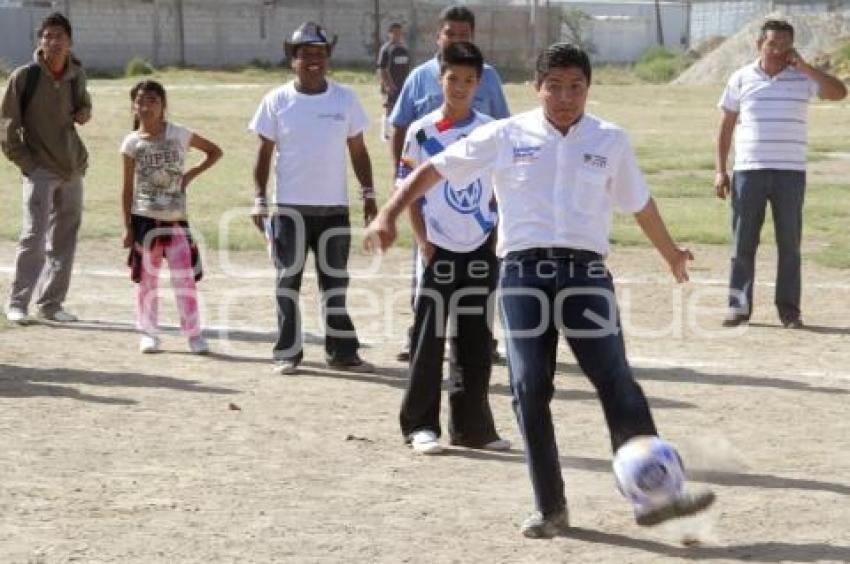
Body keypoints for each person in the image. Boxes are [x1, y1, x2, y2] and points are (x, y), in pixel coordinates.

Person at [366, 43, 715, 538]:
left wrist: (671, 253)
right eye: (554, 86)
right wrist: (387, 214)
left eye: (576, 87)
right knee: (529, 389)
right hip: (523, 276)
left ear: (588, 88)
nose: (565, 97)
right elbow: (432, 170)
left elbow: (640, 203)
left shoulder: (610, 140)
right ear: (537, 88)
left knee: (615, 379)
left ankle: (654, 491)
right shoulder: (506, 134)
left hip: (586, 277)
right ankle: (551, 507)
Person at [397, 42, 509, 455]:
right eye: (452, 79)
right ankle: (420, 425)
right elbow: (407, 190)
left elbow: (500, 188)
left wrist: (495, 236)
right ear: (439, 79)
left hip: (480, 244)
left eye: (468, 80)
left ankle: (472, 426)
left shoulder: (490, 131)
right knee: (429, 339)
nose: (459, 87)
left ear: (479, 83)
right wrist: (424, 242)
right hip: (438, 248)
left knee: (477, 340)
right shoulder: (422, 132)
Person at [249, 22, 377, 375]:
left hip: (334, 209)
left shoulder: (345, 99)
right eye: (305, 54)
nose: (313, 60)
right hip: (290, 208)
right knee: (287, 280)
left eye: (320, 54)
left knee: (335, 282)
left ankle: (342, 352)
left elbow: (359, 150)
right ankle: (287, 353)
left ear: (328, 58)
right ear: (293, 58)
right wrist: (259, 198)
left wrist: (368, 194)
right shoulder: (276, 100)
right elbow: (263, 154)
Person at [389, 4, 510, 362]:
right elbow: (401, 128)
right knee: (427, 261)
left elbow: (504, 132)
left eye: (463, 34)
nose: (456, 39)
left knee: (479, 277)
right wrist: (403, 182)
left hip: (475, 205)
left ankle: (480, 341)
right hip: (431, 198)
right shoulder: (419, 77)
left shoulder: (489, 77)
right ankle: (421, 335)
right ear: (436, 36)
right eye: (450, 33)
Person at [715, 19, 847, 329]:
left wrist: (805, 66)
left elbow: (839, 92)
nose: (778, 51)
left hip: (790, 173)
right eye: (772, 44)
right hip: (749, 171)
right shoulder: (741, 78)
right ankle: (738, 307)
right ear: (759, 44)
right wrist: (720, 170)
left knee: (790, 245)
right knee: (743, 244)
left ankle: (789, 311)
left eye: (785, 45)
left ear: (793, 47)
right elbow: (725, 127)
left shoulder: (802, 78)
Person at [1, 12, 91, 324]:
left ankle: (52, 304)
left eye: (60, 37)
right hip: (40, 170)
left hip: (72, 167)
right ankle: (18, 304)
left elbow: (84, 104)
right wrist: (29, 165)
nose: (53, 42)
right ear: (40, 40)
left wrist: (84, 112)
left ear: (70, 42)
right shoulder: (25, 77)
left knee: (65, 240)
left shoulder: (76, 74)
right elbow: (7, 129)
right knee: (33, 238)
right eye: (48, 36)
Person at [120, 80, 222, 354]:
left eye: (152, 100)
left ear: (163, 104)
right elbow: (127, 188)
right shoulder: (131, 143)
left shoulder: (179, 134)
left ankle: (193, 334)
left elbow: (215, 151)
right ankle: (148, 333)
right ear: (133, 106)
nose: (146, 106)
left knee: (184, 278)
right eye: (140, 101)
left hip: (176, 219)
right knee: (147, 280)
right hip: (144, 220)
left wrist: (189, 175)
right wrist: (127, 227)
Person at [376, 22, 410, 142]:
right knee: (389, 108)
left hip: (402, 84)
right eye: (395, 33)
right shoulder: (386, 49)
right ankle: (385, 134)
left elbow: (407, 67)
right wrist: (387, 85)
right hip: (390, 85)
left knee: (401, 108)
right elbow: (381, 68)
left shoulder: (403, 49)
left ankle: (399, 132)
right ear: (389, 34)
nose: (397, 35)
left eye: (399, 33)